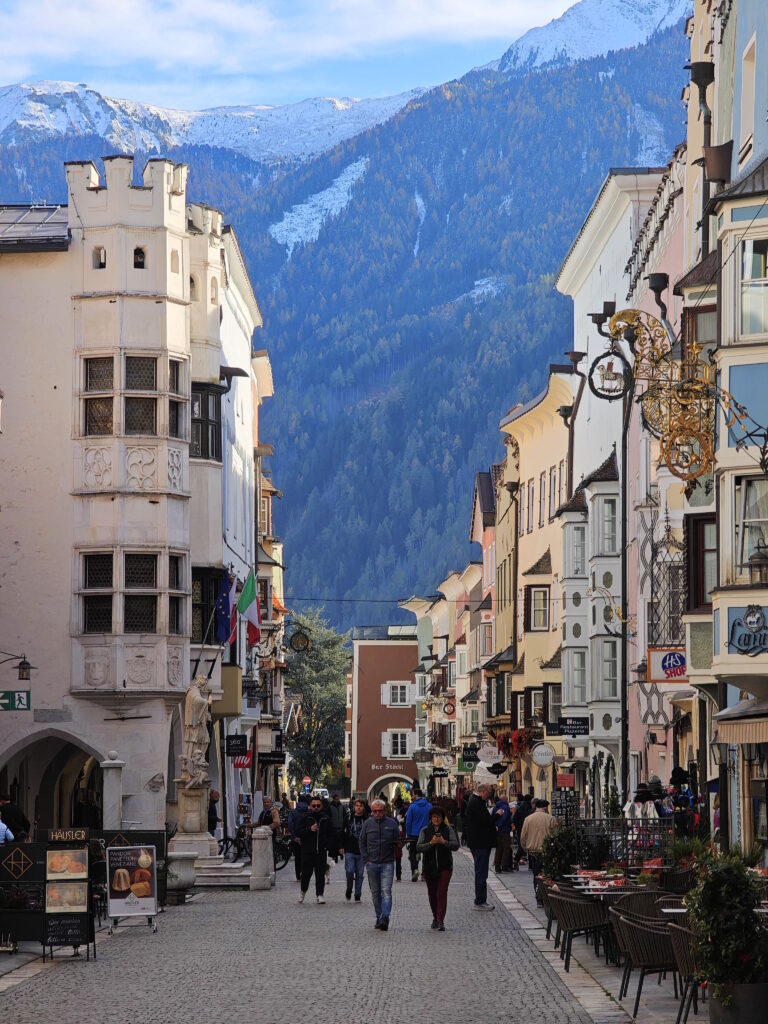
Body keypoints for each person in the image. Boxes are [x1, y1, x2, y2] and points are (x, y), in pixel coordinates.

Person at [359, 799, 401, 931]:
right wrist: (366, 858)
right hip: (372, 863)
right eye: (375, 811)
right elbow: (362, 842)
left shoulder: (392, 824)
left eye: (380, 811)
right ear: (372, 812)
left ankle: (385, 917)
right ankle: (379, 916)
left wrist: (398, 845)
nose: (378, 813)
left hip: (387, 863)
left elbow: (398, 840)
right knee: (375, 893)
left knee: (386, 891)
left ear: (385, 811)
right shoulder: (367, 824)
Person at [416, 806, 459, 931]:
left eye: (438, 817)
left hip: (445, 866)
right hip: (429, 867)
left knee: (441, 893)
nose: (436, 819)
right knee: (432, 894)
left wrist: (443, 842)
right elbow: (418, 847)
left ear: (442, 818)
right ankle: (435, 917)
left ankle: (440, 920)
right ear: (430, 818)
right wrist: (431, 843)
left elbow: (456, 845)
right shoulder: (425, 830)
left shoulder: (448, 829)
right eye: (434, 817)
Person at [297, 796, 338, 904]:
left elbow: (331, 834)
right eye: (313, 805)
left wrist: (327, 846)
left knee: (320, 875)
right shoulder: (305, 817)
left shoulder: (326, 818)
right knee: (306, 874)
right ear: (310, 806)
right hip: (307, 851)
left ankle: (320, 895)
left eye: (318, 806)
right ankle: (303, 891)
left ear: (322, 806)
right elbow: (298, 831)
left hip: (321, 851)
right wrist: (309, 829)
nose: (316, 807)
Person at [463, 783, 496, 910]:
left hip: (479, 842)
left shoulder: (476, 802)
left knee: (482, 872)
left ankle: (481, 900)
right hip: (480, 843)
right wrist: (496, 815)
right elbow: (485, 821)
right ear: (482, 791)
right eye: (488, 793)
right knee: (481, 872)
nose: (489, 795)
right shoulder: (476, 803)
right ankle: (479, 901)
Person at [519, 798, 556, 901]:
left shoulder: (528, 819)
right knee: (547, 874)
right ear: (545, 807)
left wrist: (525, 848)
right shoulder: (551, 818)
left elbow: (522, 837)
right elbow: (555, 835)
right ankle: (546, 896)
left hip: (533, 851)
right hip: (547, 851)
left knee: (536, 875)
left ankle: (538, 897)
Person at [342, 798, 369, 901]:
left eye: (361, 806)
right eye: (357, 806)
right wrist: (341, 846)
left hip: (362, 851)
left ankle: (357, 894)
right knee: (349, 871)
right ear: (354, 807)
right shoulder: (348, 818)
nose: (358, 808)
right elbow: (342, 832)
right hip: (349, 849)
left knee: (360, 873)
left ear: (363, 808)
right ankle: (349, 888)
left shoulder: (367, 820)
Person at [405, 787, 432, 881]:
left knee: (413, 853)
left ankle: (415, 870)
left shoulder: (412, 807)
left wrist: (408, 834)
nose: (412, 796)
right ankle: (424, 873)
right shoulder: (429, 806)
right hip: (426, 833)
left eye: (412, 794)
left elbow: (408, 822)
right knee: (427, 854)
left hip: (414, 834)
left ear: (416, 795)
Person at [287, 794, 309, 881]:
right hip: (306, 838)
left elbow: (290, 824)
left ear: (298, 801)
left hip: (296, 838)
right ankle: (305, 874)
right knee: (306, 856)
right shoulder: (309, 812)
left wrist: (294, 836)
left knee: (297, 857)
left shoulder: (293, 812)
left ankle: (298, 876)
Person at [512, 792, 533, 868]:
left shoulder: (519, 808)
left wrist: (518, 827)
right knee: (531, 847)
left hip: (520, 829)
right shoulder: (530, 808)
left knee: (522, 846)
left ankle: (516, 860)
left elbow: (514, 818)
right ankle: (531, 865)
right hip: (529, 830)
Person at [492, 792, 512, 872]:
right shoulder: (506, 807)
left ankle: (497, 866)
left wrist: (496, 826)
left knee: (498, 848)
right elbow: (504, 818)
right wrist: (500, 826)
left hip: (497, 831)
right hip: (504, 830)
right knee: (506, 848)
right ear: (505, 800)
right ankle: (504, 865)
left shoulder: (495, 807)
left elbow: (493, 818)